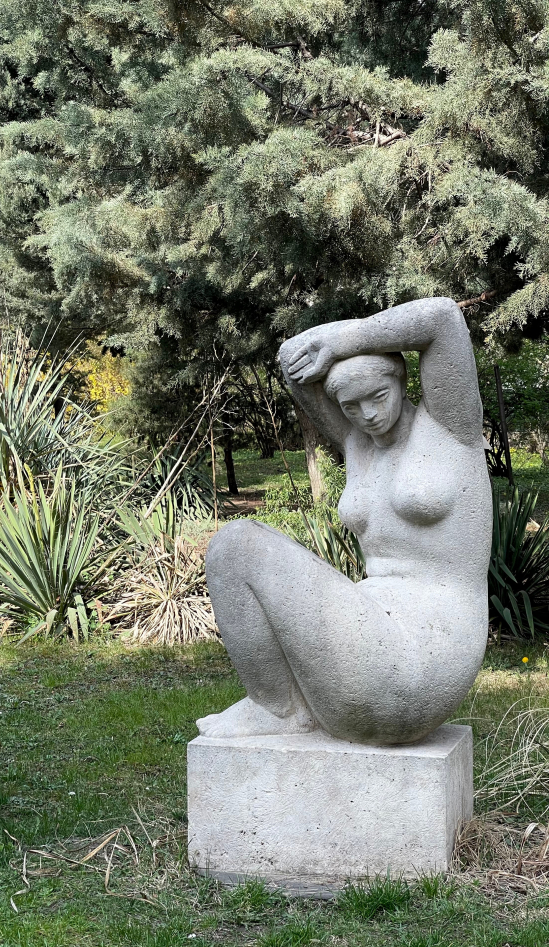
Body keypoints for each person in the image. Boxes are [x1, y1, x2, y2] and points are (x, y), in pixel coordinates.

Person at [200, 298, 492, 745]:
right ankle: (280, 706)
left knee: (238, 546)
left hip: (426, 653)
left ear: (401, 381)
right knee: (229, 548)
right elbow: (292, 361)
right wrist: (321, 354)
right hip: (370, 627)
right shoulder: (358, 444)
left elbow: (442, 319)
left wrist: (340, 341)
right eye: (352, 406)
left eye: (378, 397)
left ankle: (278, 709)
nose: (368, 414)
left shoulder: (451, 431)